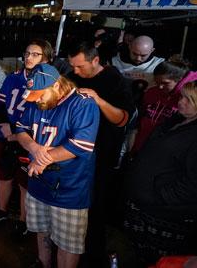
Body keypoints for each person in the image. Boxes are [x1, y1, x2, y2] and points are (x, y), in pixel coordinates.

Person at [14, 63, 100, 268]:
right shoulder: (36, 101)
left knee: (67, 243)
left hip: (69, 189)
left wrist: (43, 158)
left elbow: (81, 145)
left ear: (56, 86)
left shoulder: (82, 103)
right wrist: (34, 147)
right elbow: (20, 129)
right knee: (41, 230)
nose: (38, 101)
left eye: (40, 95)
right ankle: (43, 263)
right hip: (38, 183)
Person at [67, 41, 134, 264]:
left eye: (80, 66)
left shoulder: (116, 81)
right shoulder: (72, 76)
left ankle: (93, 256)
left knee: (95, 208)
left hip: (101, 156)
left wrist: (98, 100)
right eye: (72, 67)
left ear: (95, 60)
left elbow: (122, 118)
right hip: (73, 153)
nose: (75, 71)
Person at [124, 81, 197, 265]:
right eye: (182, 97)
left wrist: (160, 196)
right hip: (144, 206)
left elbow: (193, 183)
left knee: (160, 262)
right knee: (136, 257)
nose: (181, 102)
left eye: (189, 100)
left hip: (165, 215)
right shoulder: (176, 120)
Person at [0, 39, 54, 236]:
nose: (29, 57)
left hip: (29, 138)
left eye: (35, 54)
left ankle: (22, 221)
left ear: (47, 58)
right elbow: (0, 104)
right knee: (4, 174)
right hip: (7, 133)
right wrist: (6, 127)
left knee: (24, 181)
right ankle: (2, 210)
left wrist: (20, 133)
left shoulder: (50, 82)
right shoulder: (14, 77)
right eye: (27, 53)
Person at [131, 57, 197, 154]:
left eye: (165, 83)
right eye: (157, 83)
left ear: (179, 80)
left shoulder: (188, 101)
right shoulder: (152, 92)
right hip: (141, 147)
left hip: (166, 152)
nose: (160, 87)